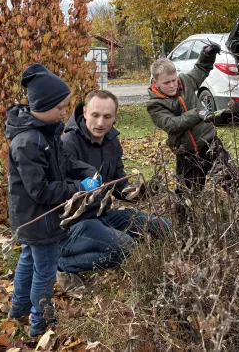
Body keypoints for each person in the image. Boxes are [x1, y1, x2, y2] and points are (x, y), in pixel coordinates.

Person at [5, 64, 101, 338]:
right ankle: (41, 323)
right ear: (43, 105)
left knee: (28, 260)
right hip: (39, 219)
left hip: (37, 218)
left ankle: (18, 309)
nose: (63, 112)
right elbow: (41, 191)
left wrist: (87, 172)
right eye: (59, 107)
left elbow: (65, 161)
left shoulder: (46, 132)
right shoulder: (27, 142)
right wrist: (79, 188)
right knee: (45, 272)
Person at [56, 89, 171, 295]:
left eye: (107, 116)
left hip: (102, 216)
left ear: (115, 117)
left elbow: (119, 182)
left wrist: (136, 192)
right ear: (84, 112)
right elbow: (59, 193)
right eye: (95, 115)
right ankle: (61, 264)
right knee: (125, 247)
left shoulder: (111, 141)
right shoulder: (67, 144)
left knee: (163, 227)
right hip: (72, 226)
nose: (101, 123)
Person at [147, 44, 239, 222]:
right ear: (155, 82)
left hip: (209, 144)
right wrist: (197, 114)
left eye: (174, 80)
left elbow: (201, 69)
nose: (172, 85)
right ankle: (185, 228)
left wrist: (207, 55)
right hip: (187, 153)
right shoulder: (155, 105)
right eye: (166, 83)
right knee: (186, 195)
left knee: (234, 181)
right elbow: (172, 124)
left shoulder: (185, 82)